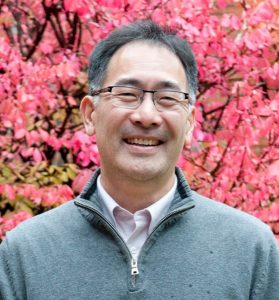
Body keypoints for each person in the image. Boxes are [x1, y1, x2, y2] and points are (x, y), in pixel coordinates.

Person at [0, 20, 278, 300]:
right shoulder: (24, 254)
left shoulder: (251, 249)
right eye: (127, 95)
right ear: (89, 115)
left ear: (190, 123)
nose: (146, 116)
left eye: (167, 98)